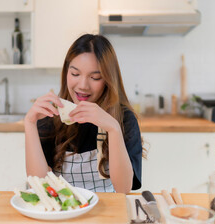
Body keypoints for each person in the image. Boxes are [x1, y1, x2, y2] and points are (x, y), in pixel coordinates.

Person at [24, 34, 143, 193]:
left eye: (95, 77)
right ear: (66, 72)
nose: (83, 85)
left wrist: (113, 128)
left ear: (108, 79)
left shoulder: (124, 118)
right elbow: (38, 185)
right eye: (75, 74)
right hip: (62, 211)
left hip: (107, 212)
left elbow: (123, 189)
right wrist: (30, 123)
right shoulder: (51, 115)